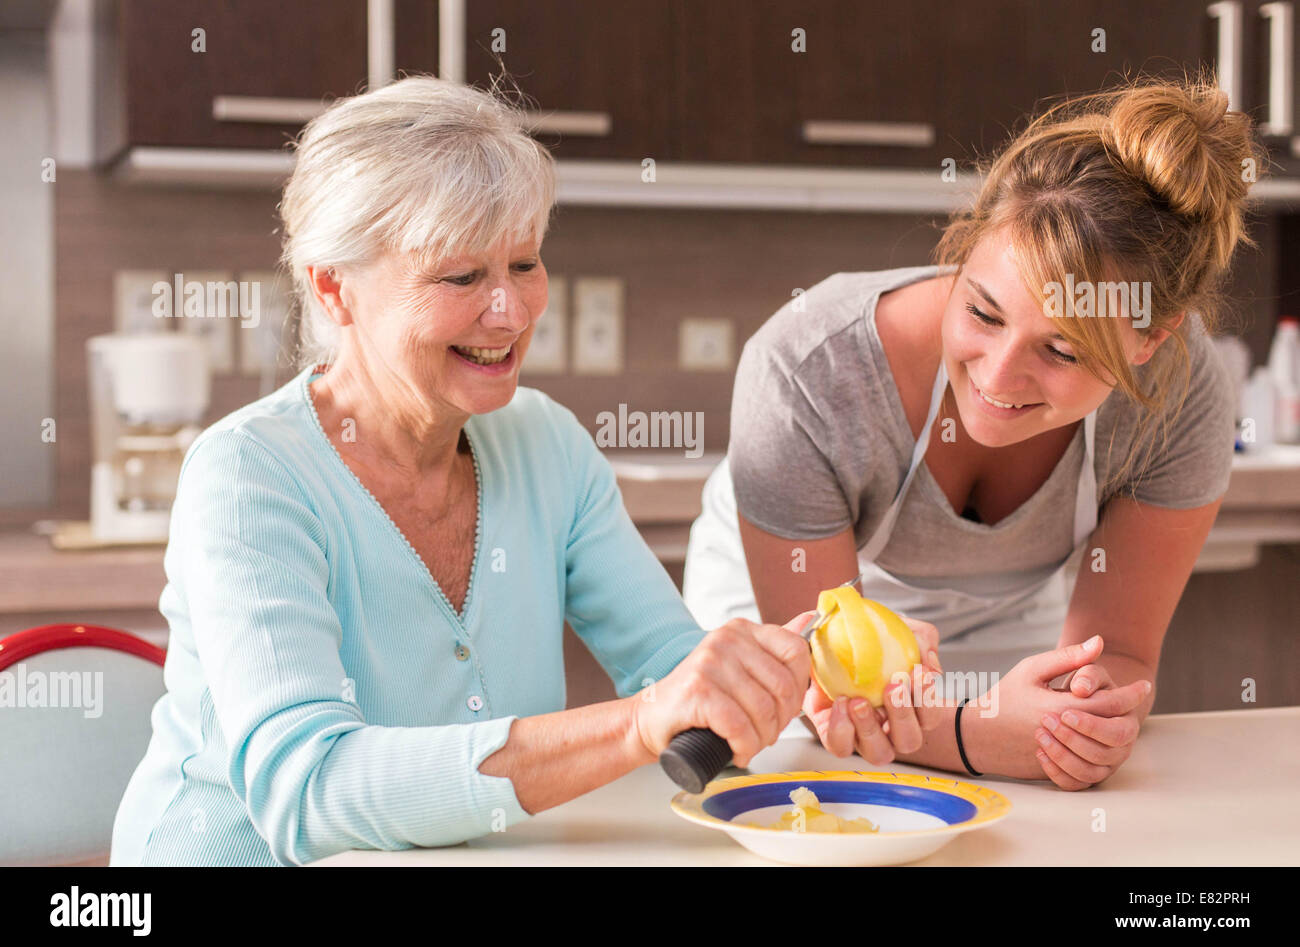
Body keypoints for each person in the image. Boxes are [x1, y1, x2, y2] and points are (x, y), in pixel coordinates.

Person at [110, 76, 814, 866]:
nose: (510, 312)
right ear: (335, 288)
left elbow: (676, 675)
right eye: (461, 277)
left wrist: (792, 673)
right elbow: (311, 795)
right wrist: (637, 722)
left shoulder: (548, 445)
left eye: (523, 263)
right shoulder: (248, 476)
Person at [684, 76, 1263, 790]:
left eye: (1061, 351)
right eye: (984, 314)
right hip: (800, 628)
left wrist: (1079, 721)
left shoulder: (1181, 396)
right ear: (964, 252)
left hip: (1008, 624)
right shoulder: (808, 371)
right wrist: (974, 735)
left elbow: (1120, 656)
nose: (997, 376)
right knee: (818, 794)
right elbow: (826, 687)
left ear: (1152, 339)